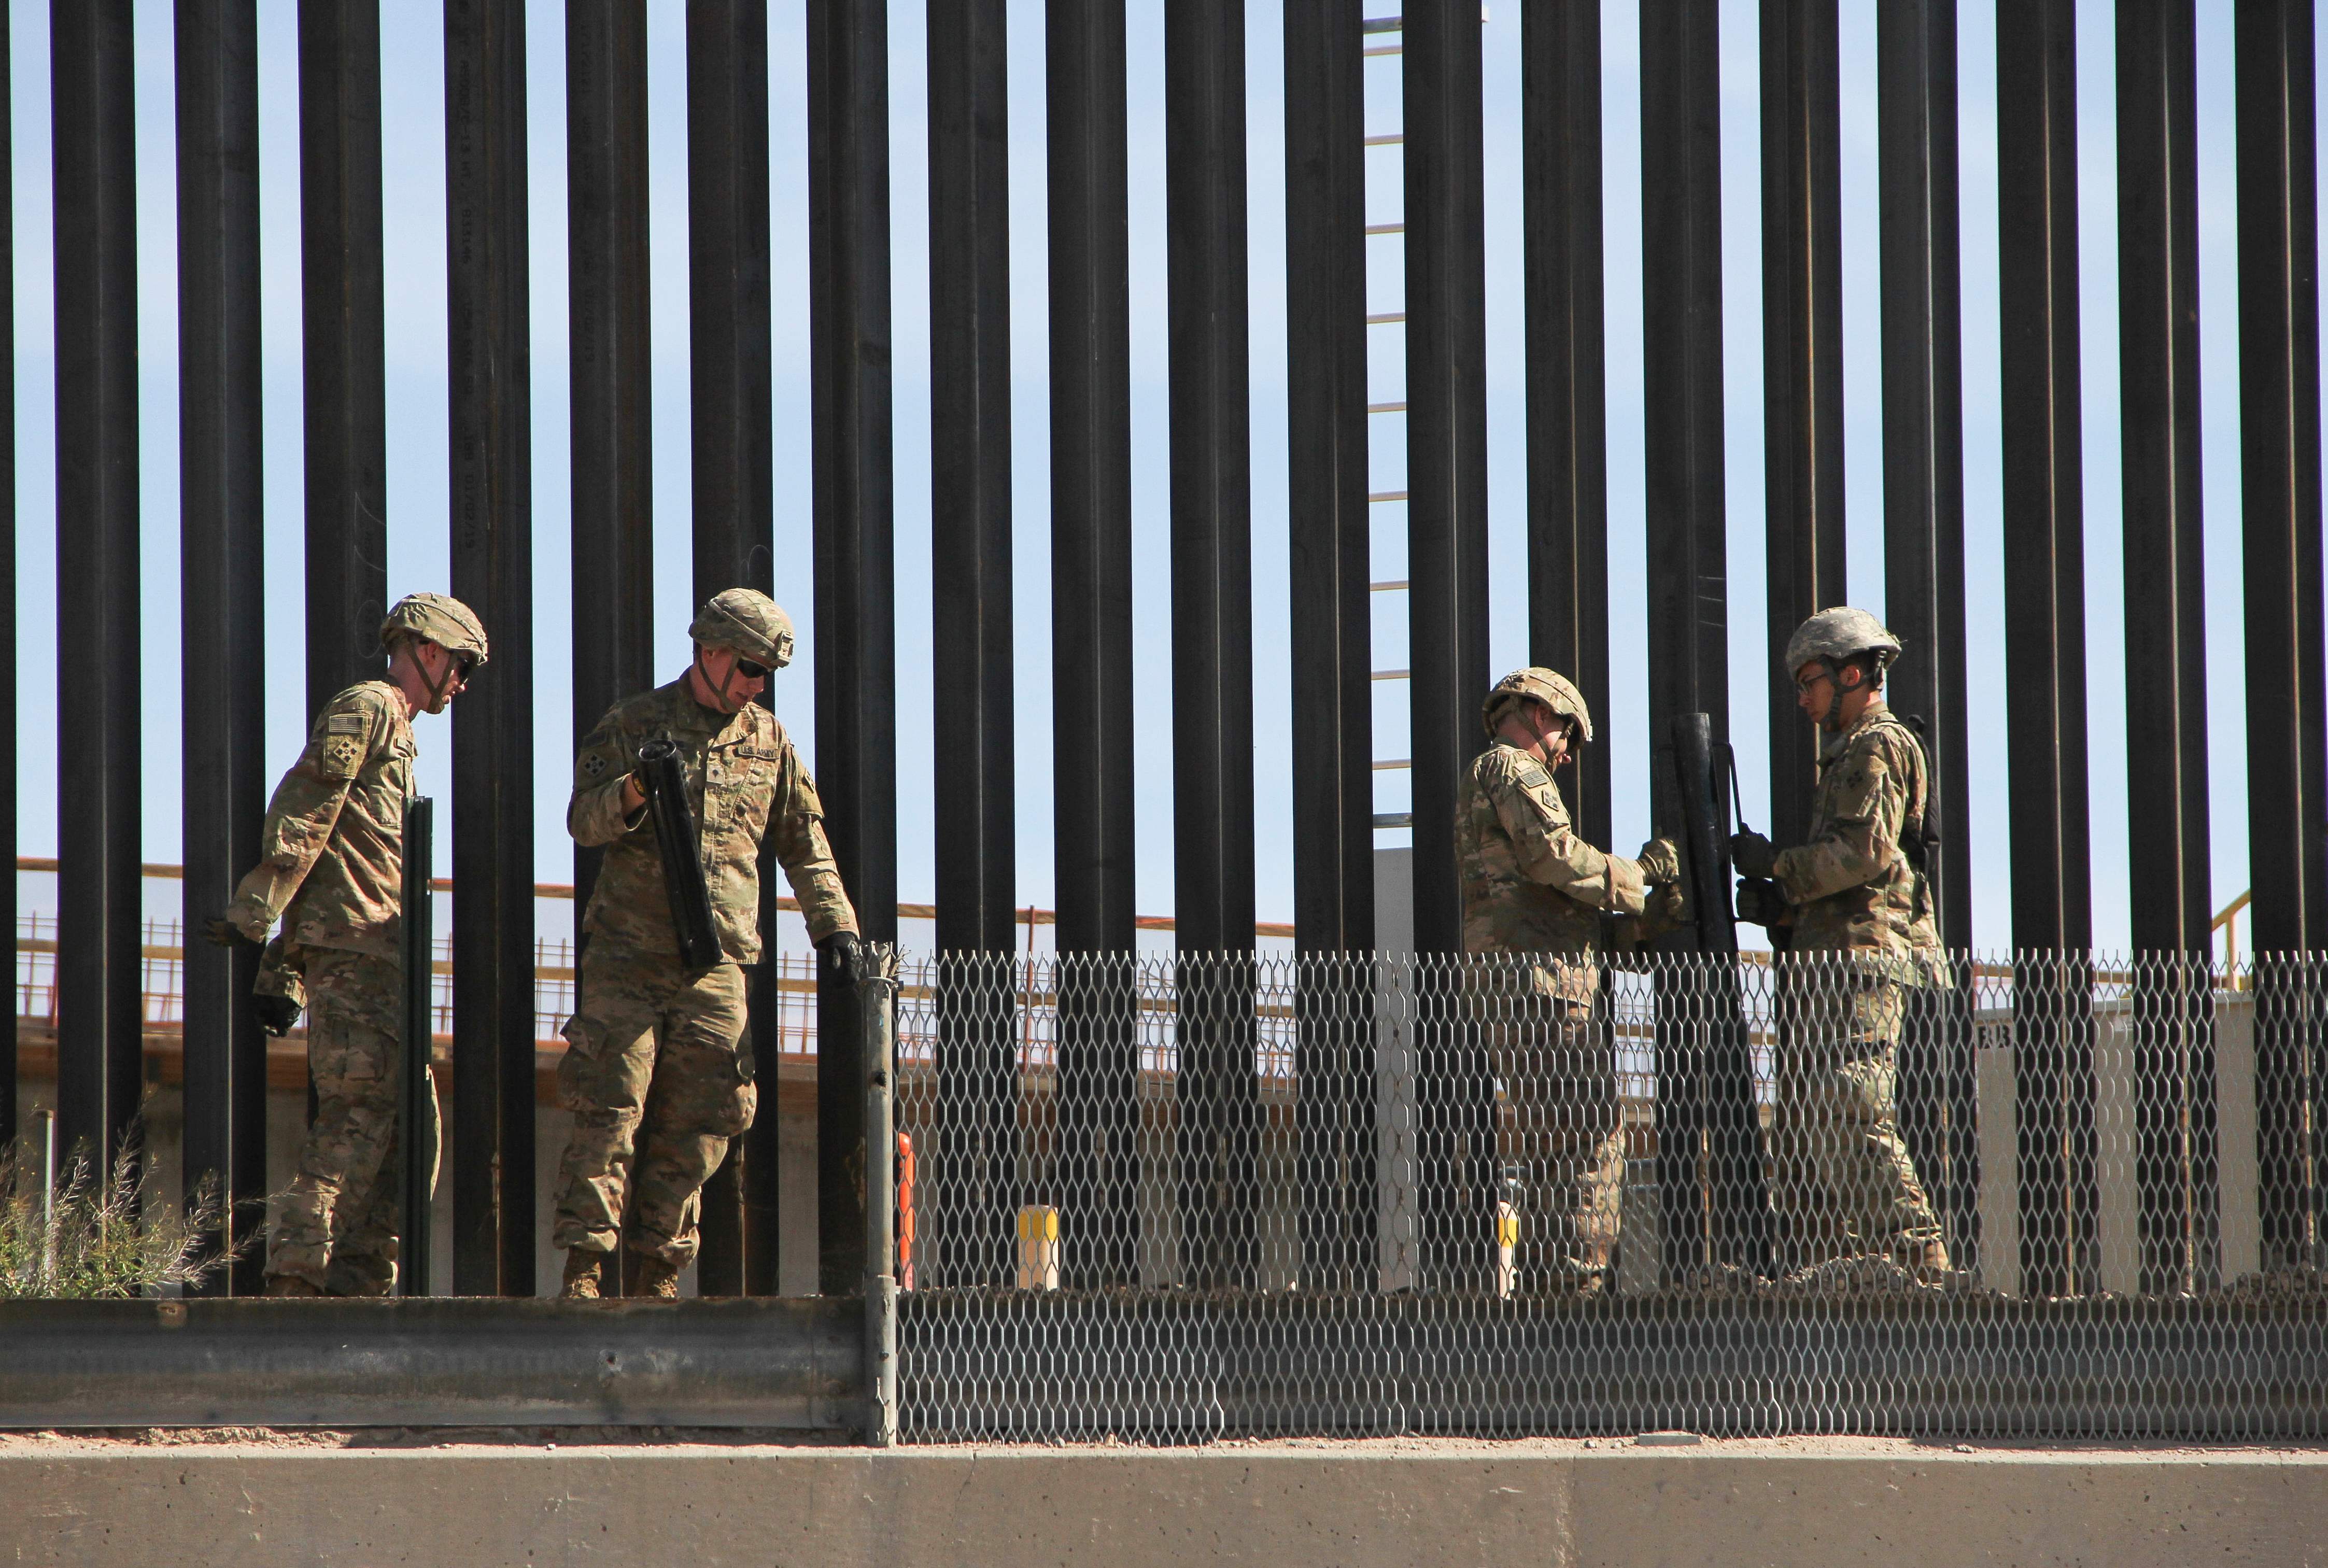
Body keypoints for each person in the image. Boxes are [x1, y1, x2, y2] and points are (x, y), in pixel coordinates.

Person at [553, 588, 862, 1299]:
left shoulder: (767, 742)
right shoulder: (635, 722)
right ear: (711, 650)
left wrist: (835, 927)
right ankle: (584, 1278)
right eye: (750, 668)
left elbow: (805, 846)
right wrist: (634, 791)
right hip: (628, 961)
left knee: (700, 1126)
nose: (756, 685)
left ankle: (659, 1279)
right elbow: (583, 820)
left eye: (766, 676)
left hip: (716, 963)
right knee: (609, 1112)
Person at [207, 592, 488, 1297]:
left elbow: (340, 857)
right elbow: (309, 810)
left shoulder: (399, 730)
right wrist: (257, 912)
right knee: (358, 1119)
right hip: (358, 957)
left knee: (409, 1134)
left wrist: (284, 966)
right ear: (428, 651)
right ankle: (296, 1284)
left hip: (381, 956)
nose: (461, 684)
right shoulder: (367, 708)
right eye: (461, 666)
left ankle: (357, 1286)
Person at [1729, 607, 1950, 1279]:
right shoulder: (1848, 751)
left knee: (1846, 1105)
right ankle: (1831, 1277)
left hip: (1861, 958)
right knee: (1804, 1125)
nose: (1801, 699)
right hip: (1832, 957)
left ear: (1849, 673)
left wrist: (1777, 867)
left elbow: (1862, 853)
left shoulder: (1874, 744)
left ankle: (1922, 1268)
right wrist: (1785, 907)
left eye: (1808, 682)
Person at [1456, 667, 1686, 1294]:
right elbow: (1555, 855)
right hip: (1540, 989)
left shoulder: (1496, 779)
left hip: (1535, 979)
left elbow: (1551, 913)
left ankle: (1552, 1288)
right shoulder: (1512, 767)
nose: (1564, 755)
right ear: (1540, 713)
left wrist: (1634, 925)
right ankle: (1569, 1294)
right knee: (1586, 1138)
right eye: (1567, 736)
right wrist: (1638, 881)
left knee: (1561, 1141)